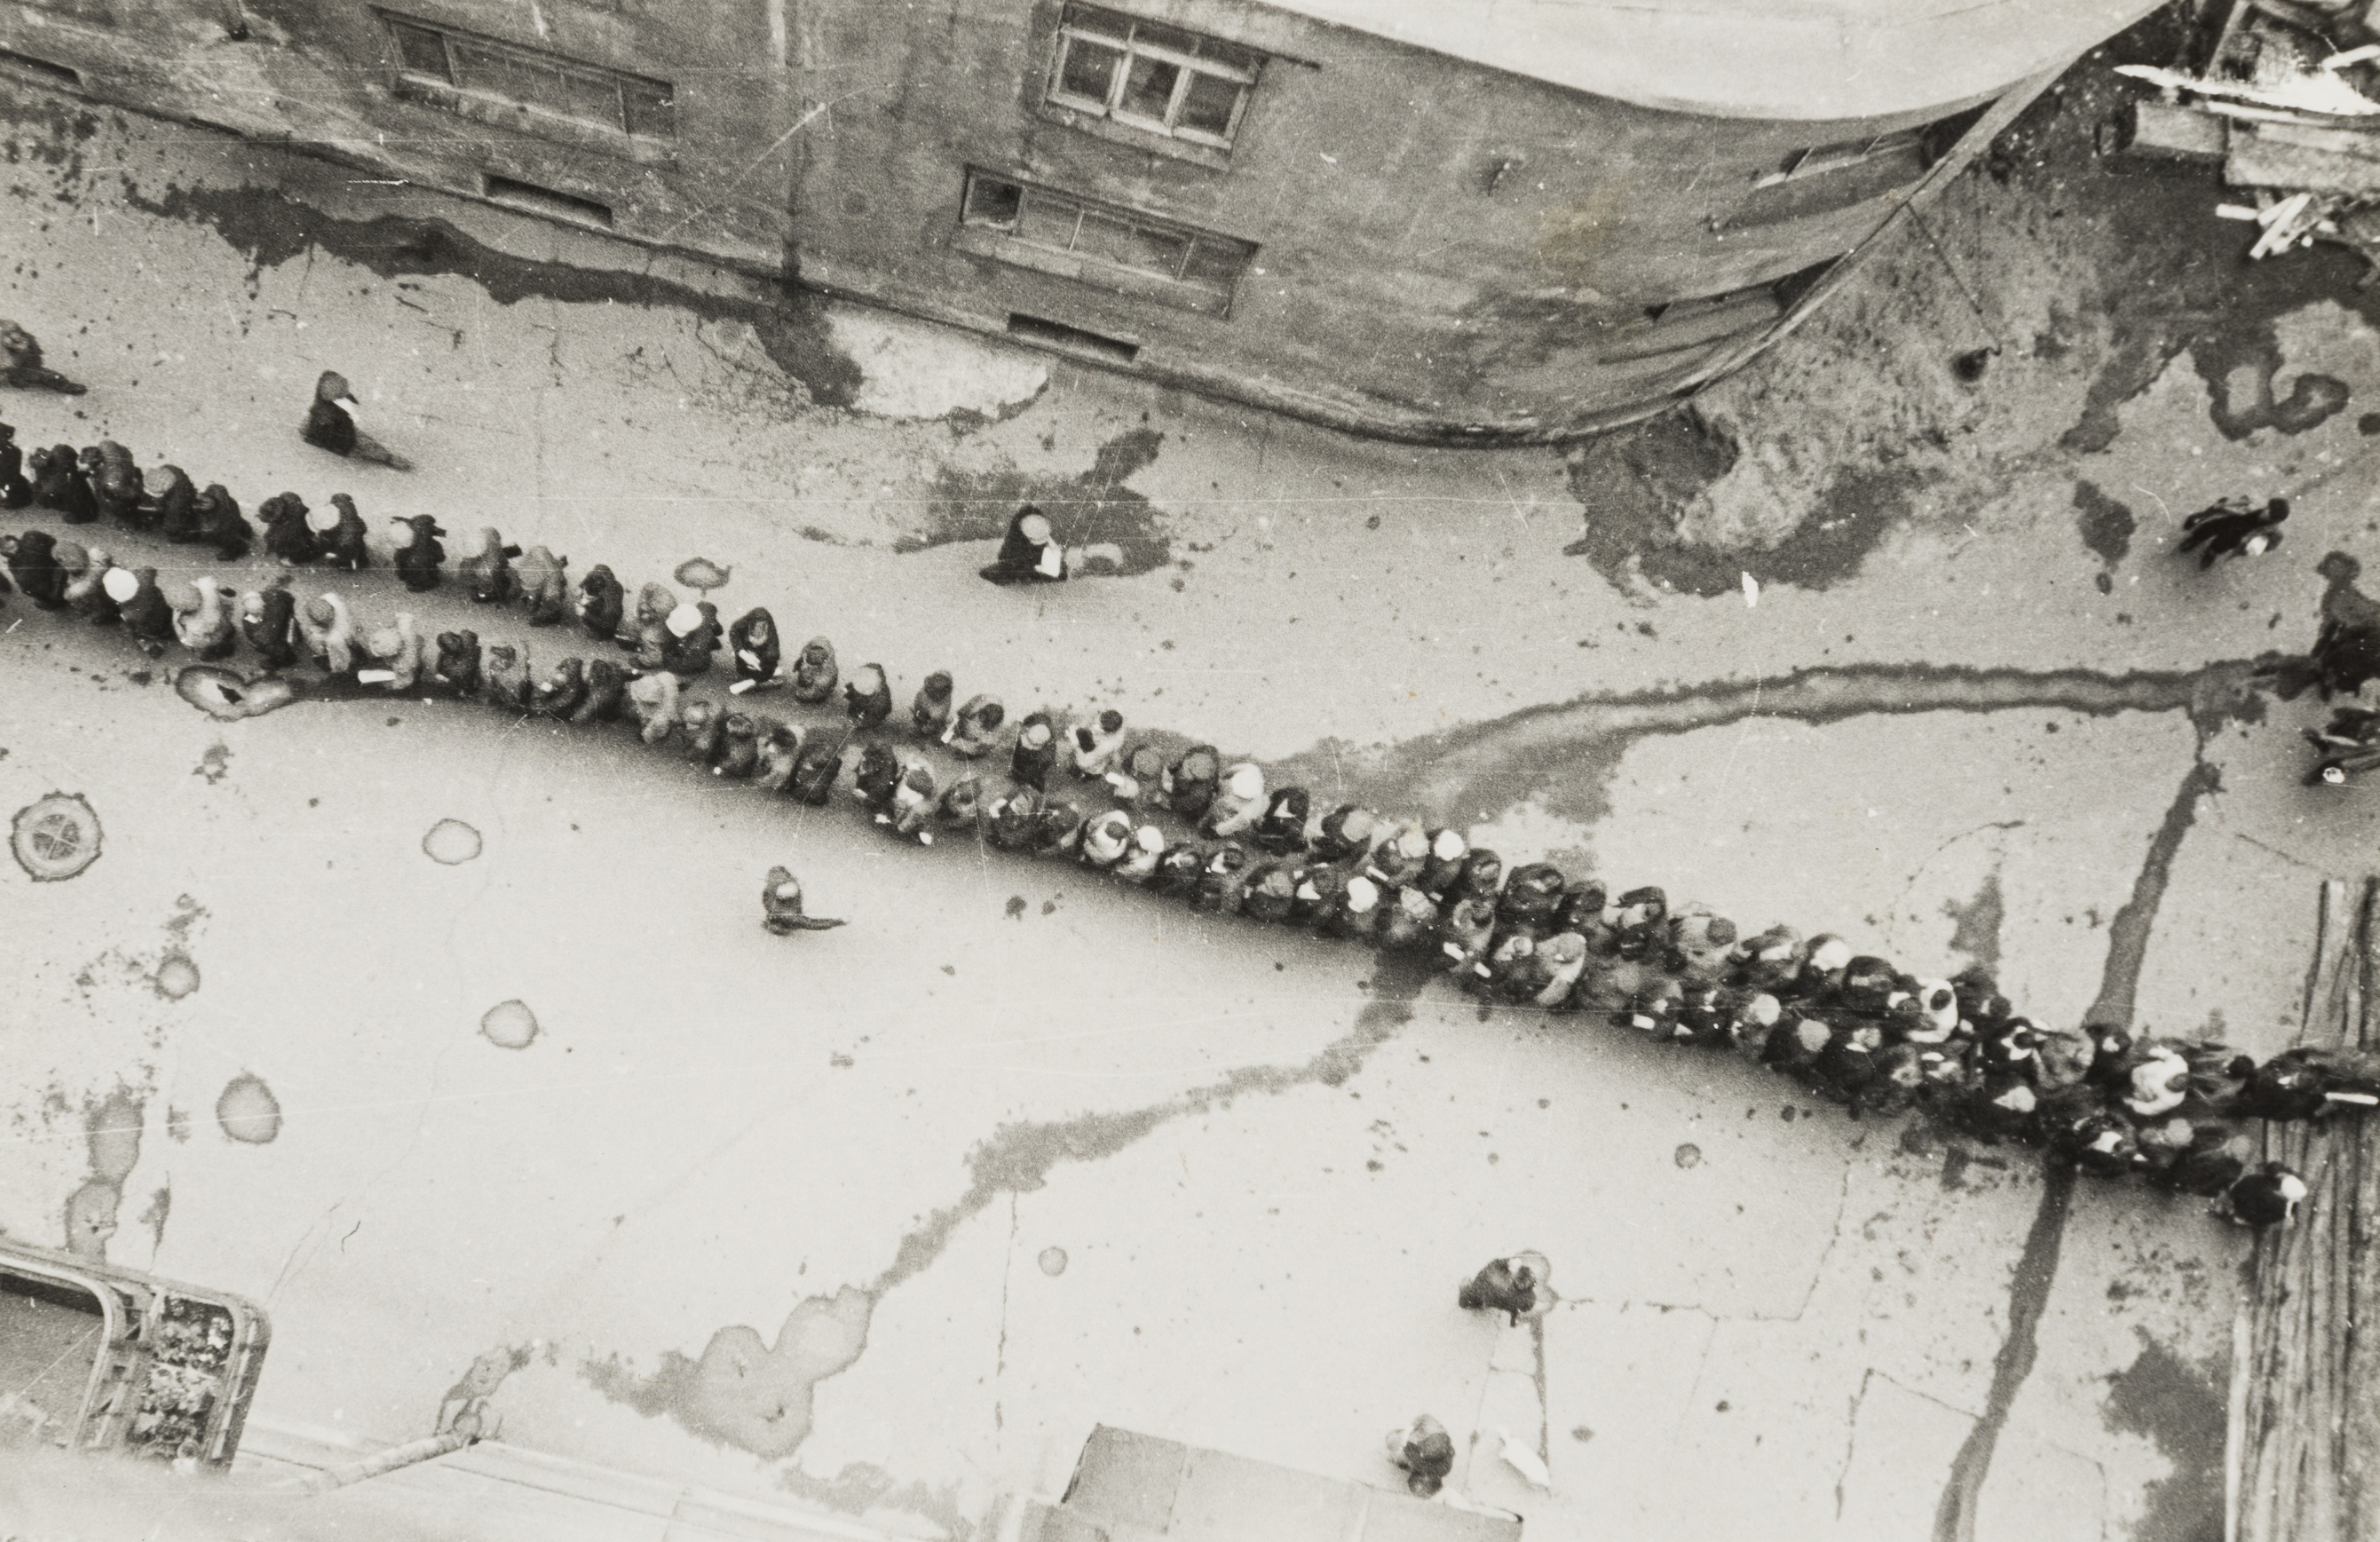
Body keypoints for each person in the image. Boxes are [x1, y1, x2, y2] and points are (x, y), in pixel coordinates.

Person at [302, 369, 413, 470]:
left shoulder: (322, 411)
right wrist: (388, 458)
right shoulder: (333, 416)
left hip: (325, 432)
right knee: (359, 440)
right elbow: (358, 440)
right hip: (338, 440)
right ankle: (388, 458)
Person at [2176, 496, 2286, 568]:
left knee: (2221, 546)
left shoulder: (2271, 531)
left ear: (2274, 519)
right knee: (2206, 529)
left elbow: (2270, 545)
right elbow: (2239, 503)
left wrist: (2257, 545)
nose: (2266, 510)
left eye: (2269, 512)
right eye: (2268, 507)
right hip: (2228, 521)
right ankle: (2194, 540)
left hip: (2238, 535)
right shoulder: (2253, 507)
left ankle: (2210, 553)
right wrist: (2222, 505)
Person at [1459, 1254, 1550, 1325]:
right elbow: (1526, 1304)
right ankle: (1475, 1300)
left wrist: (1508, 1263)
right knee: (1483, 1294)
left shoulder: (1495, 1276)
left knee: (1469, 1299)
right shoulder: (1527, 1298)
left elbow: (1493, 1266)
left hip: (1484, 1291)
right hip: (1495, 1295)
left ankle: (1468, 1299)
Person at [1, 320, 86, 394]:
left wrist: (23, 348)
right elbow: (8, 364)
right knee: (43, 375)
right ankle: (63, 384)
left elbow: (29, 343)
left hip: (21, 362)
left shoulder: (8, 326)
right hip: (12, 366)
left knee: (38, 373)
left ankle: (63, 384)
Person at [1386, 1415, 1457, 1499]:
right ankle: (1431, 1494)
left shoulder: (1423, 1428)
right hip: (1434, 1468)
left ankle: (1433, 1492)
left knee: (1430, 1448)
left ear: (1402, 1432)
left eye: (1397, 1439)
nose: (1398, 1443)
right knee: (1414, 1483)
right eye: (1394, 1446)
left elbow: (1439, 1441)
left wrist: (1408, 1431)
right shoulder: (1409, 1450)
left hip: (1438, 1453)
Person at [762, 867, 845, 934]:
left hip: (785, 909)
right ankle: (775, 922)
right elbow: (812, 924)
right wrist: (837, 922)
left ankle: (775, 922)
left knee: (792, 917)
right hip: (785, 912)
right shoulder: (773, 893)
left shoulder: (785, 887)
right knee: (795, 919)